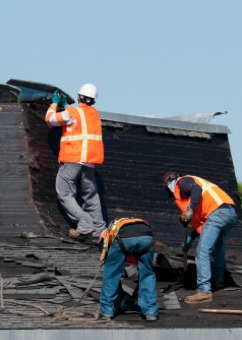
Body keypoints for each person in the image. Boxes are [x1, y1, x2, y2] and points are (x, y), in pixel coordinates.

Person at [163, 172, 238, 304]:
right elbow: (203, 228)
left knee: (202, 251)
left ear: (170, 183)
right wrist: (189, 240)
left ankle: (204, 290)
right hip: (229, 213)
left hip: (218, 213)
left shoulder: (183, 182)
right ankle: (218, 280)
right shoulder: (199, 202)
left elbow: (196, 189)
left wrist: (190, 209)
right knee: (218, 247)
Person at [46, 84, 106, 238]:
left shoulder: (72, 113)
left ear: (79, 97)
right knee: (91, 195)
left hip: (73, 158)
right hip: (89, 161)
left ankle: (85, 224)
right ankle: (99, 229)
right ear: (93, 101)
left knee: (64, 192)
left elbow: (50, 119)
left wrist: (54, 103)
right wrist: (66, 105)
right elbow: (79, 121)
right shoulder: (94, 114)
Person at [95, 217, 158, 321]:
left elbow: (111, 268)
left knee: (111, 274)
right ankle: (150, 311)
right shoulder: (128, 222)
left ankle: (106, 311)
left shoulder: (104, 238)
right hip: (147, 237)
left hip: (124, 238)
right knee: (147, 274)